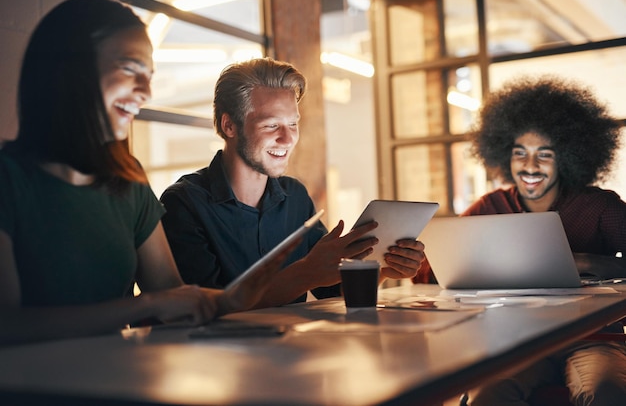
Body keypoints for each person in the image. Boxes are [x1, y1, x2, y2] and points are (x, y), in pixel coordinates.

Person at [0, 0, 295, 346]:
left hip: (118, 383)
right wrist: (145, 305)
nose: (146, 92)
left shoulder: (128, 180)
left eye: (149, 76)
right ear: (70, 68)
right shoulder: (9, 180)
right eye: (129, 69)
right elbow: (8, 324)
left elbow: (173, 295)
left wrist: (242, 296)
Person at [160, 57, 427, 308]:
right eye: (271, 125)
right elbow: (204, 311)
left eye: (293, 124)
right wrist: (306, 273)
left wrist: (380, 270)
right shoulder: (183, 203)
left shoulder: (295, 196)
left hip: (293, 352)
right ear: (229, 126)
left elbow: (332, 290)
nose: (288, 139)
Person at [458, 75, 626, 405]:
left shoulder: (599, 206)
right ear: (504, 156)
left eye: (544, 154)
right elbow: (433, 270)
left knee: (605, 391)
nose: (530, 166)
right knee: (487, 394)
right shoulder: (490, 208)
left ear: (566, 158)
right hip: (517, 340)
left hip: (593, 338)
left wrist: (585, 262)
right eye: (520, 153)